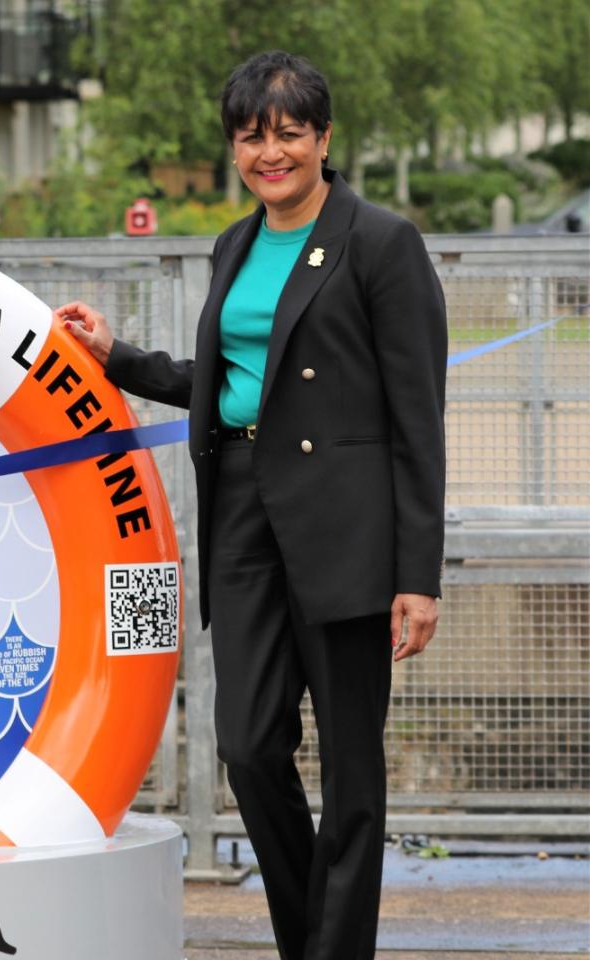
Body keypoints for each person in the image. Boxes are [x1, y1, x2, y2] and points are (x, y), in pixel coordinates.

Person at [55, 51, 446, 960]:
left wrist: (416, 576)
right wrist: (119, 356)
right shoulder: (235, 244)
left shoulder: (381, 243)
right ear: (235, 146)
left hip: (348, 531)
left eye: (288, 134)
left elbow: (419, 419)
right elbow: (226, 380)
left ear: (324, 138)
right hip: (242, 514)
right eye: (250, 136)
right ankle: (313, 934)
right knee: (247, 745)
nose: (270, 153)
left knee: (351, 770)